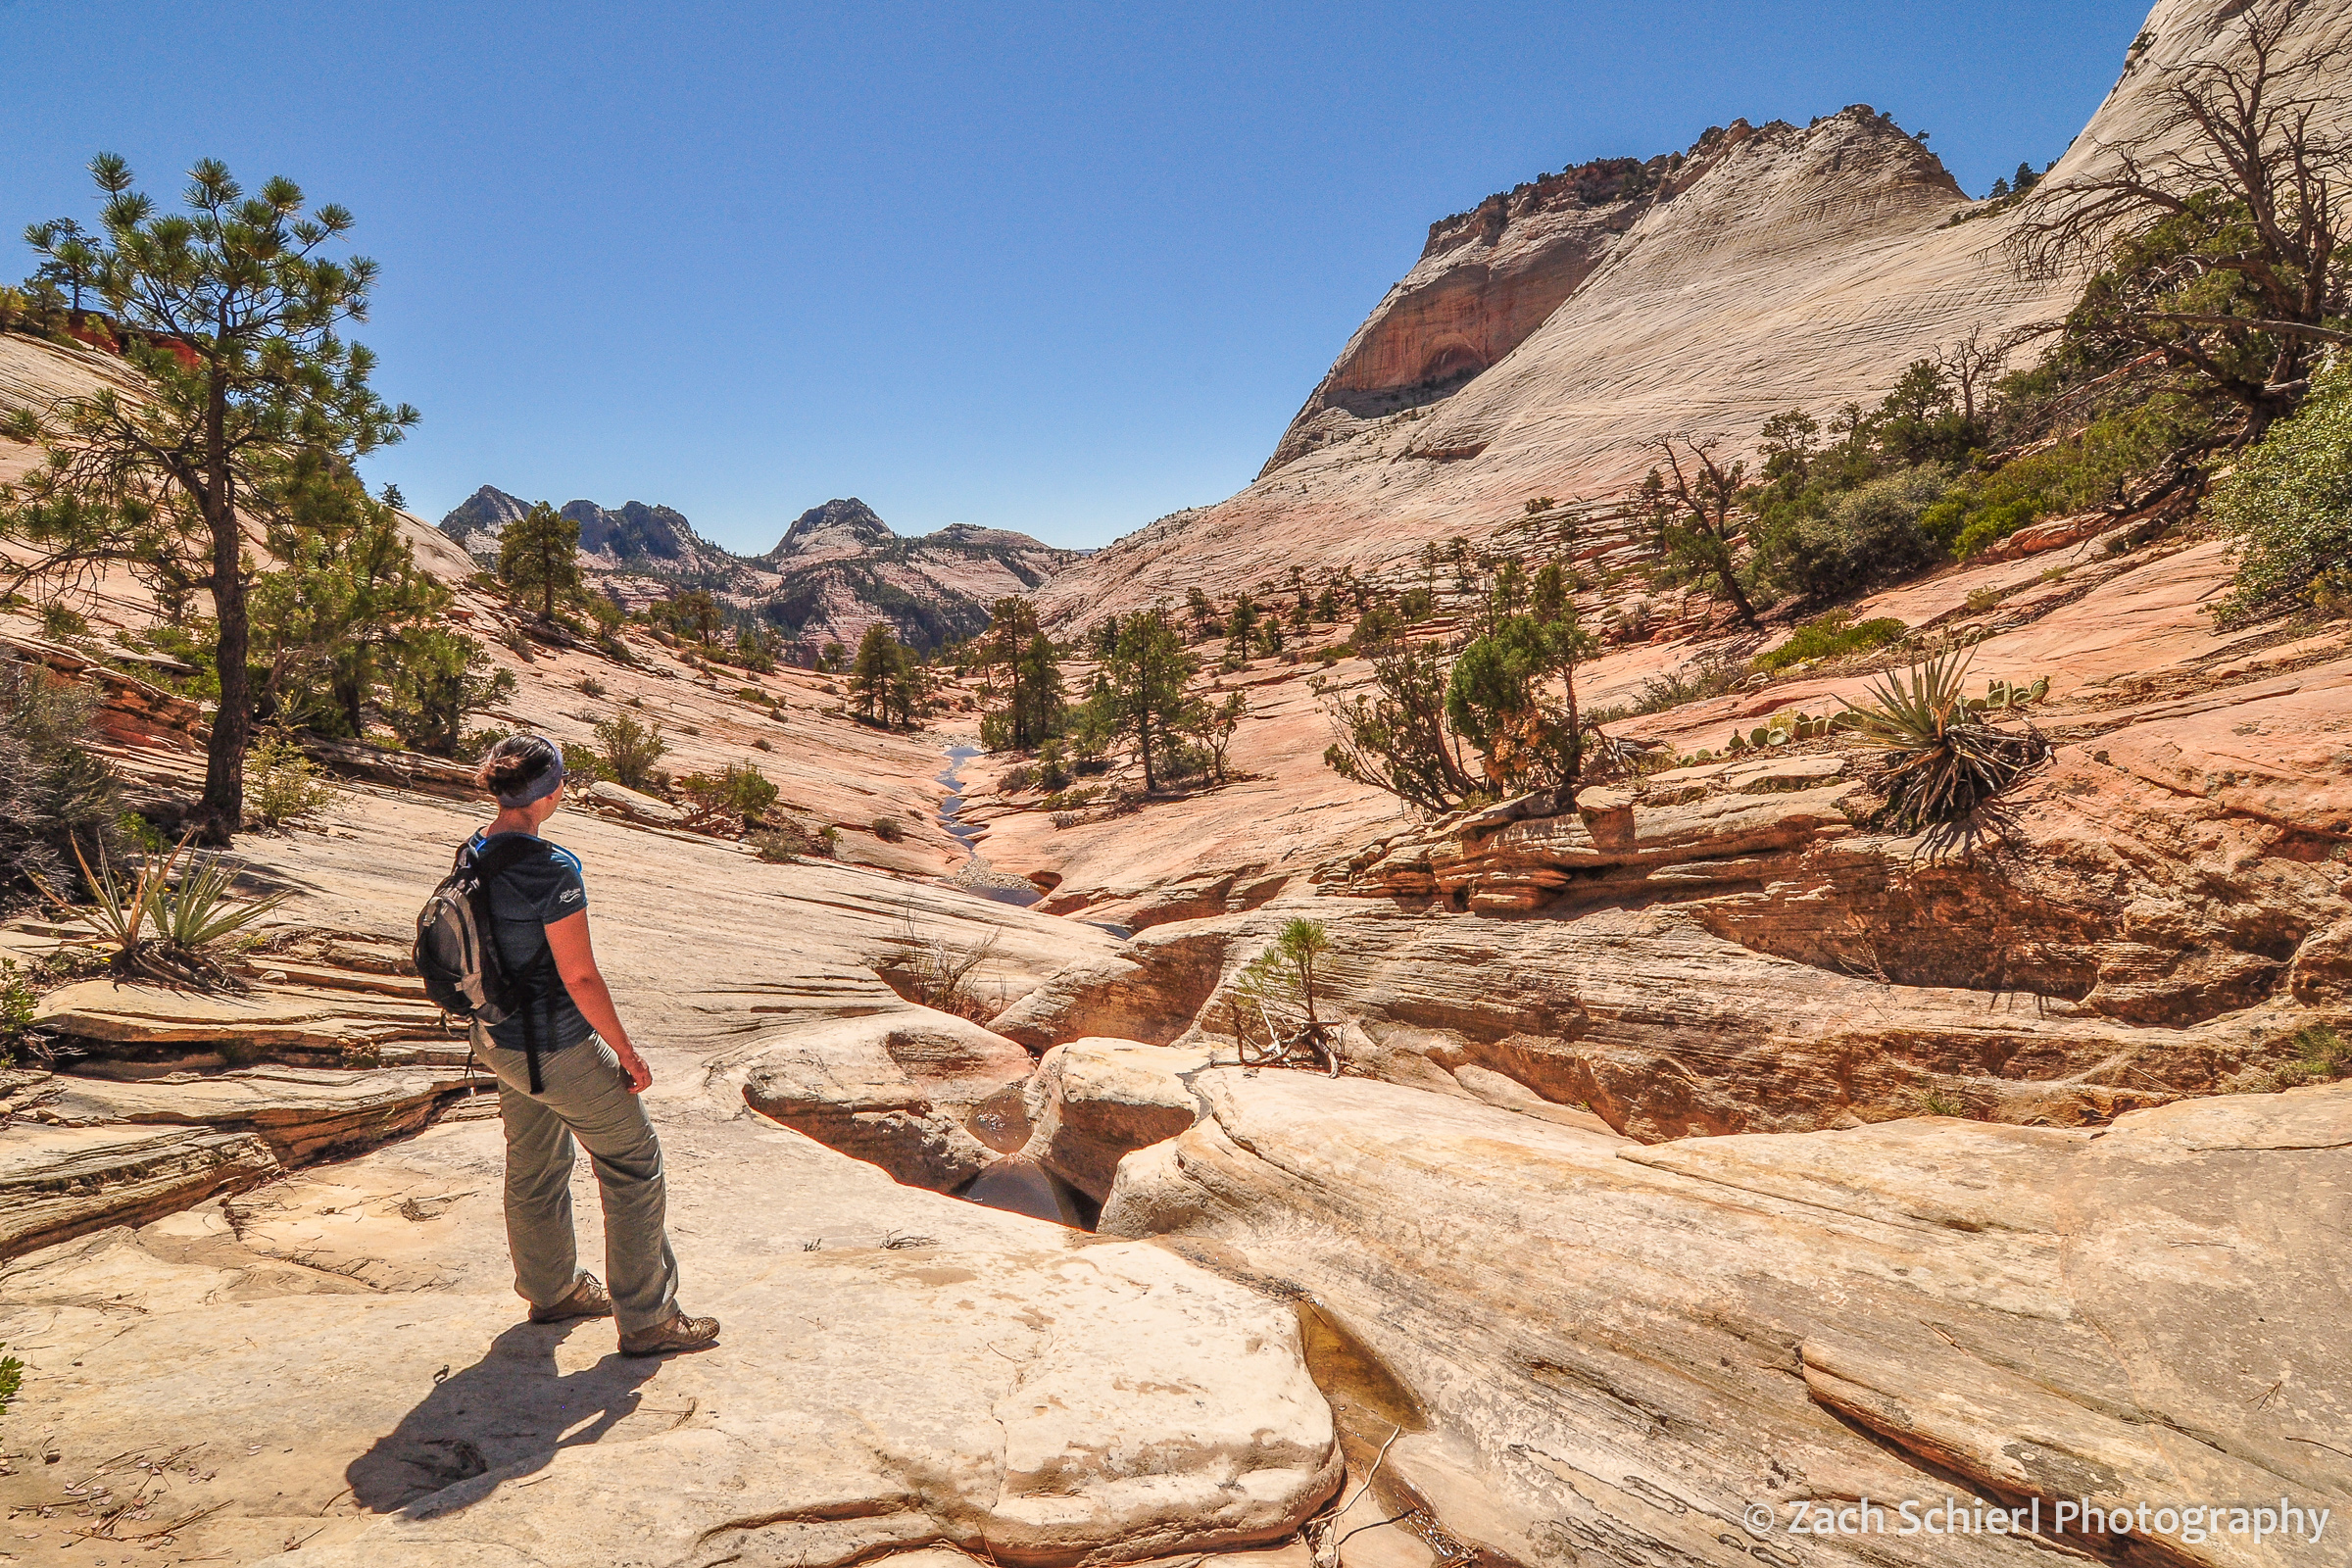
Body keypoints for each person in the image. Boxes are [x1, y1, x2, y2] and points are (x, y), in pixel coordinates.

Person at [464, 734, 718, 1357]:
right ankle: (649, 1320)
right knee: (633, 1163)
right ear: (550, 794)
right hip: (556, 1047)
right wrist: (626, 1053)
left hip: (496, 1038)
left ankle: (552, 1291)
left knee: (534, 1161)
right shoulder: (551, 868)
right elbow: (580, 976)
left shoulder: (475, 849)